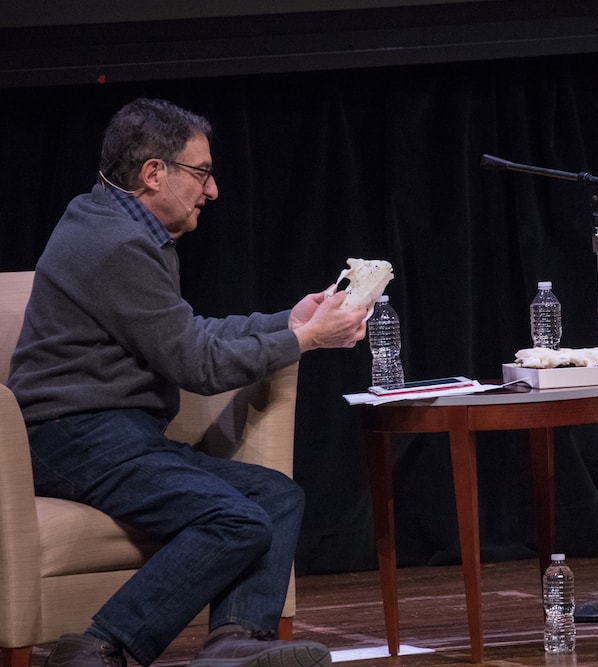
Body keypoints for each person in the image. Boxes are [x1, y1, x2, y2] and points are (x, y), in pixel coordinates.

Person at [6, 98, 369, 667]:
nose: (213, 189)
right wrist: (307, 340)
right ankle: (99, 648)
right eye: (201, 173)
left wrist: (288, 320)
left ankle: (235, 641)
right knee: (236, 517)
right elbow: (197, 367)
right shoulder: (115, 244)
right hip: (71, 436)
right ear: (155, 172)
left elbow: (186, 332)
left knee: (276, 495)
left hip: (117, 433)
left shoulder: (115, 222)